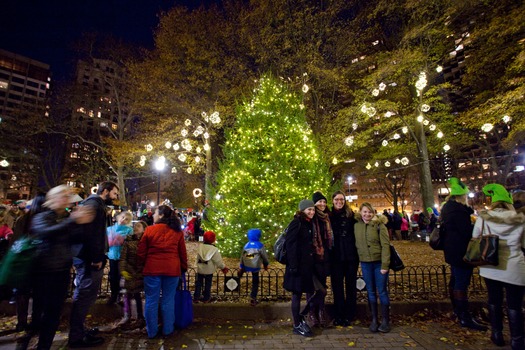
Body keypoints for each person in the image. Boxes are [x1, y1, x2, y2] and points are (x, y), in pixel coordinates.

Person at [25, 185, 94, 350]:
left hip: (61, 272)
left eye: (67, 196)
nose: (66, 198)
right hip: (43, 273)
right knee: (40, 315)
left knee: (53, 314)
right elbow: (48, 232)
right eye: (62, 195)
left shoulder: (66, 219)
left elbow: (78, 238)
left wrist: (85, 224)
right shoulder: (42, 217)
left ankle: (44, 346)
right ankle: (27, 342)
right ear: (52, 199)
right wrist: (73, 220)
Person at [473, 184, 525, 348]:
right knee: (514, 304)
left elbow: (475, 237)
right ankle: (517, 339)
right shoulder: (519, 217)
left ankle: (497, 334)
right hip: (514, 265)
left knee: (494, 300)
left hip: (491, 265)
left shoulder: (484, 217)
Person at [68, 181, 119, 348]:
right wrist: (96, 258)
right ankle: (76, 336)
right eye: (114, 194)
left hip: (87, 257)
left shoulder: (94, 205)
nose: (116, 197)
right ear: (105, 191)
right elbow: (91, 235)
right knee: (84, 295)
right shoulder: (94, 205)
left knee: (85, 295)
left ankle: (80, 330)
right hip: (89, 259)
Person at [441, 177, 486, 331]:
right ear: (462, 196)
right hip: (462, 251)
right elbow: (466, 232)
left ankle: (458, 311)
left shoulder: (447, 208)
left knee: (455, 281)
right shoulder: (459, 211)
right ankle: (464, 316)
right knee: (461, 283)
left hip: (452, 251)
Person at [137, 205, 187, 339]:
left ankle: (151, 331)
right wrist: (183, 267)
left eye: (155, 213)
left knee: (151, 301)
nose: (153, 215)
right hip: (172, 269)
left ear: (161, 216)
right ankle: (168, 329)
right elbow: (182, 252)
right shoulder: (177, 231)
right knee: (168, 300)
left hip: (152, 269)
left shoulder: (150, 230)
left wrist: (142, 264)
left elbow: (141, 252)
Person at [10, 193, 46, 334]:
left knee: (22, 294)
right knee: (38, 294)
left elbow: (15, 242)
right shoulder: (44, 220)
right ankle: (36, 322)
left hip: (24, 262)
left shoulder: (23, 219)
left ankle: (22, 323)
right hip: (39, 263)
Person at [355, 202, 391, 333]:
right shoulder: (356, 226)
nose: (367, 214)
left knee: (381, 291)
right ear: (360, 212)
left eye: (370, 212)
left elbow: (386, 246)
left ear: (373, 213)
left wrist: (385, 265)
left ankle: (386, 320)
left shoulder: (379, 226)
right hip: (365, 263)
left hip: (379, 263)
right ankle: (374, 319)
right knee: (370, 292)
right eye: (364, 211)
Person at [283, 199, 316, 337]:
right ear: (302, 210)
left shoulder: (308, 223)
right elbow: (290, 244)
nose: (311, 212)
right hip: (297, 266)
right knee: (296, 295)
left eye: (313, 209)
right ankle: (297, 324)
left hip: (306, 265)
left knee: (316, 291)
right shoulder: (297, 222)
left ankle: (301, 317)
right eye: (309, 210)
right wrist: (293, 265)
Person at [329, 190, 359, 326]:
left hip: (350, 256)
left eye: (341, 199)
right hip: (335, 258)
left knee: (351, 286)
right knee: (337, 287)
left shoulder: (351, 215)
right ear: (333, 201)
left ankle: (350, 314)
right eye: (336, 200)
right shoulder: (328, 216)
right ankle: (339, 314)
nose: (339, 202)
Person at [306, 191, 333, 327]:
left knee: (322, 286)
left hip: (324, 257)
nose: (322, 204)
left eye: (324, 201)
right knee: (311, 286)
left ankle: (321, 311)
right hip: (312, 257)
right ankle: (311, 312)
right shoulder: (310, 216)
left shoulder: (327, 218)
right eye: (319, 201)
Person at [118, 220, 148, 330]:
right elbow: (123, 258)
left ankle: (140, 317)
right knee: (127, 295)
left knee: (137, 295)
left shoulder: (146, 241)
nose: (136, 228)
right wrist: (123, 270)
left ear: (144, 229)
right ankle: (127, 316)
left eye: (139, 226)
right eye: (135, 226)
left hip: (140, 273)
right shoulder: (128, 241)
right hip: (130, 273)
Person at [106, 211, 133, 305]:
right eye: (123, 217)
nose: (123, 220)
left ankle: (120, 296)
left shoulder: (129, 230)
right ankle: (114, 294)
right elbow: (105, 243)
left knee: (121, 276)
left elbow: (130, 243)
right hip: (112, 256)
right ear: (118, 217)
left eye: (127, 219)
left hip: (123, 257)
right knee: (113, 276)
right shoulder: (109, 229)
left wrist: (122, 240)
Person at [238, 228, 270, 306]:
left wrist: (241, 265)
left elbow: (242, 256)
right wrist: (266, 264)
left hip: (246, 263)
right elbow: (264, 256)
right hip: (255, 265)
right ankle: (253, 297)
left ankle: (244, 270)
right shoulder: (260, 245)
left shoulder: (247, 245)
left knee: (250, 256)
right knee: (255, 281)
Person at [194, 231, 228, 303]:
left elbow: (197, 258)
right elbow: (218, 261)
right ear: (213, 239)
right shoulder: (214, 250)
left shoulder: (200, 247)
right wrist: (223, 267)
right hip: (209, 270)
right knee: (208, 284)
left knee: (198, 283)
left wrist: (196, 265)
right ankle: (206, 298)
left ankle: (196, 297)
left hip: (200, 269)